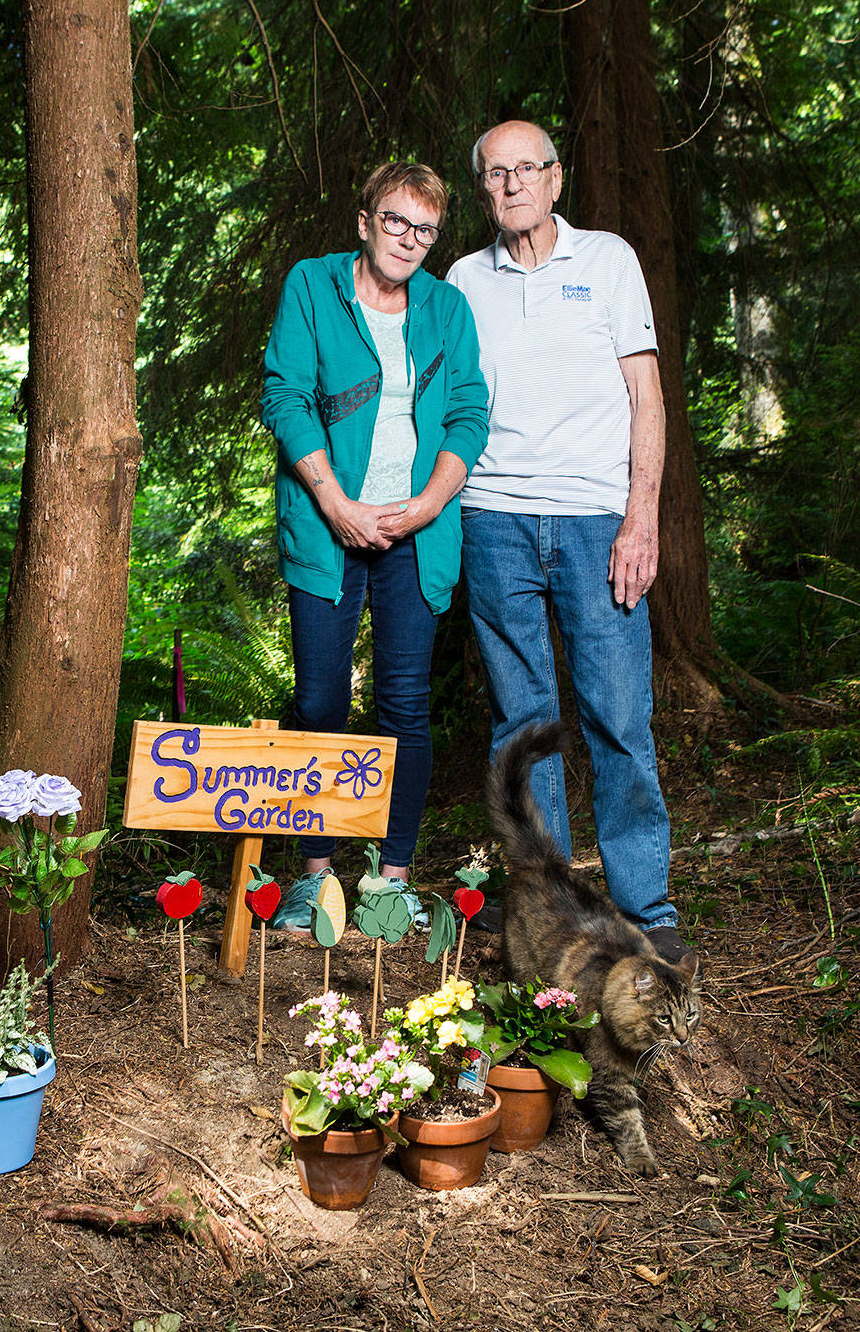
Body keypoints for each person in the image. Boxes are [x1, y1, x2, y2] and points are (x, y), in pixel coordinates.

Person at [446, 120, 684, 960]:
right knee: (524, 723)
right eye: (495, 174)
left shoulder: (609, 261)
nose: (512, 185)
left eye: (527, 170)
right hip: (495, 521)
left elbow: (646, 399)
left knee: (619, 715)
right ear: (484, 191)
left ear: (555, 179)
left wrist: (641, 516)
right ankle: (548, 914)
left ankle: (645, 909)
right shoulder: (462, 279)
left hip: (596, 522)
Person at [258, 161, 490, 923]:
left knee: (403, 705)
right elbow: (286, 395)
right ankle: (316, 877)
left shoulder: (447, 308)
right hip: (330, 529)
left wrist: (425, 505)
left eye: (425, 229)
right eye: (397, 221)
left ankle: (388, 881)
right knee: (321, 699)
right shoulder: (313, 285)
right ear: (365, 220)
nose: (410, 239)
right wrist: (335, 501)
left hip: (416, 533)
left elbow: (467, 413)